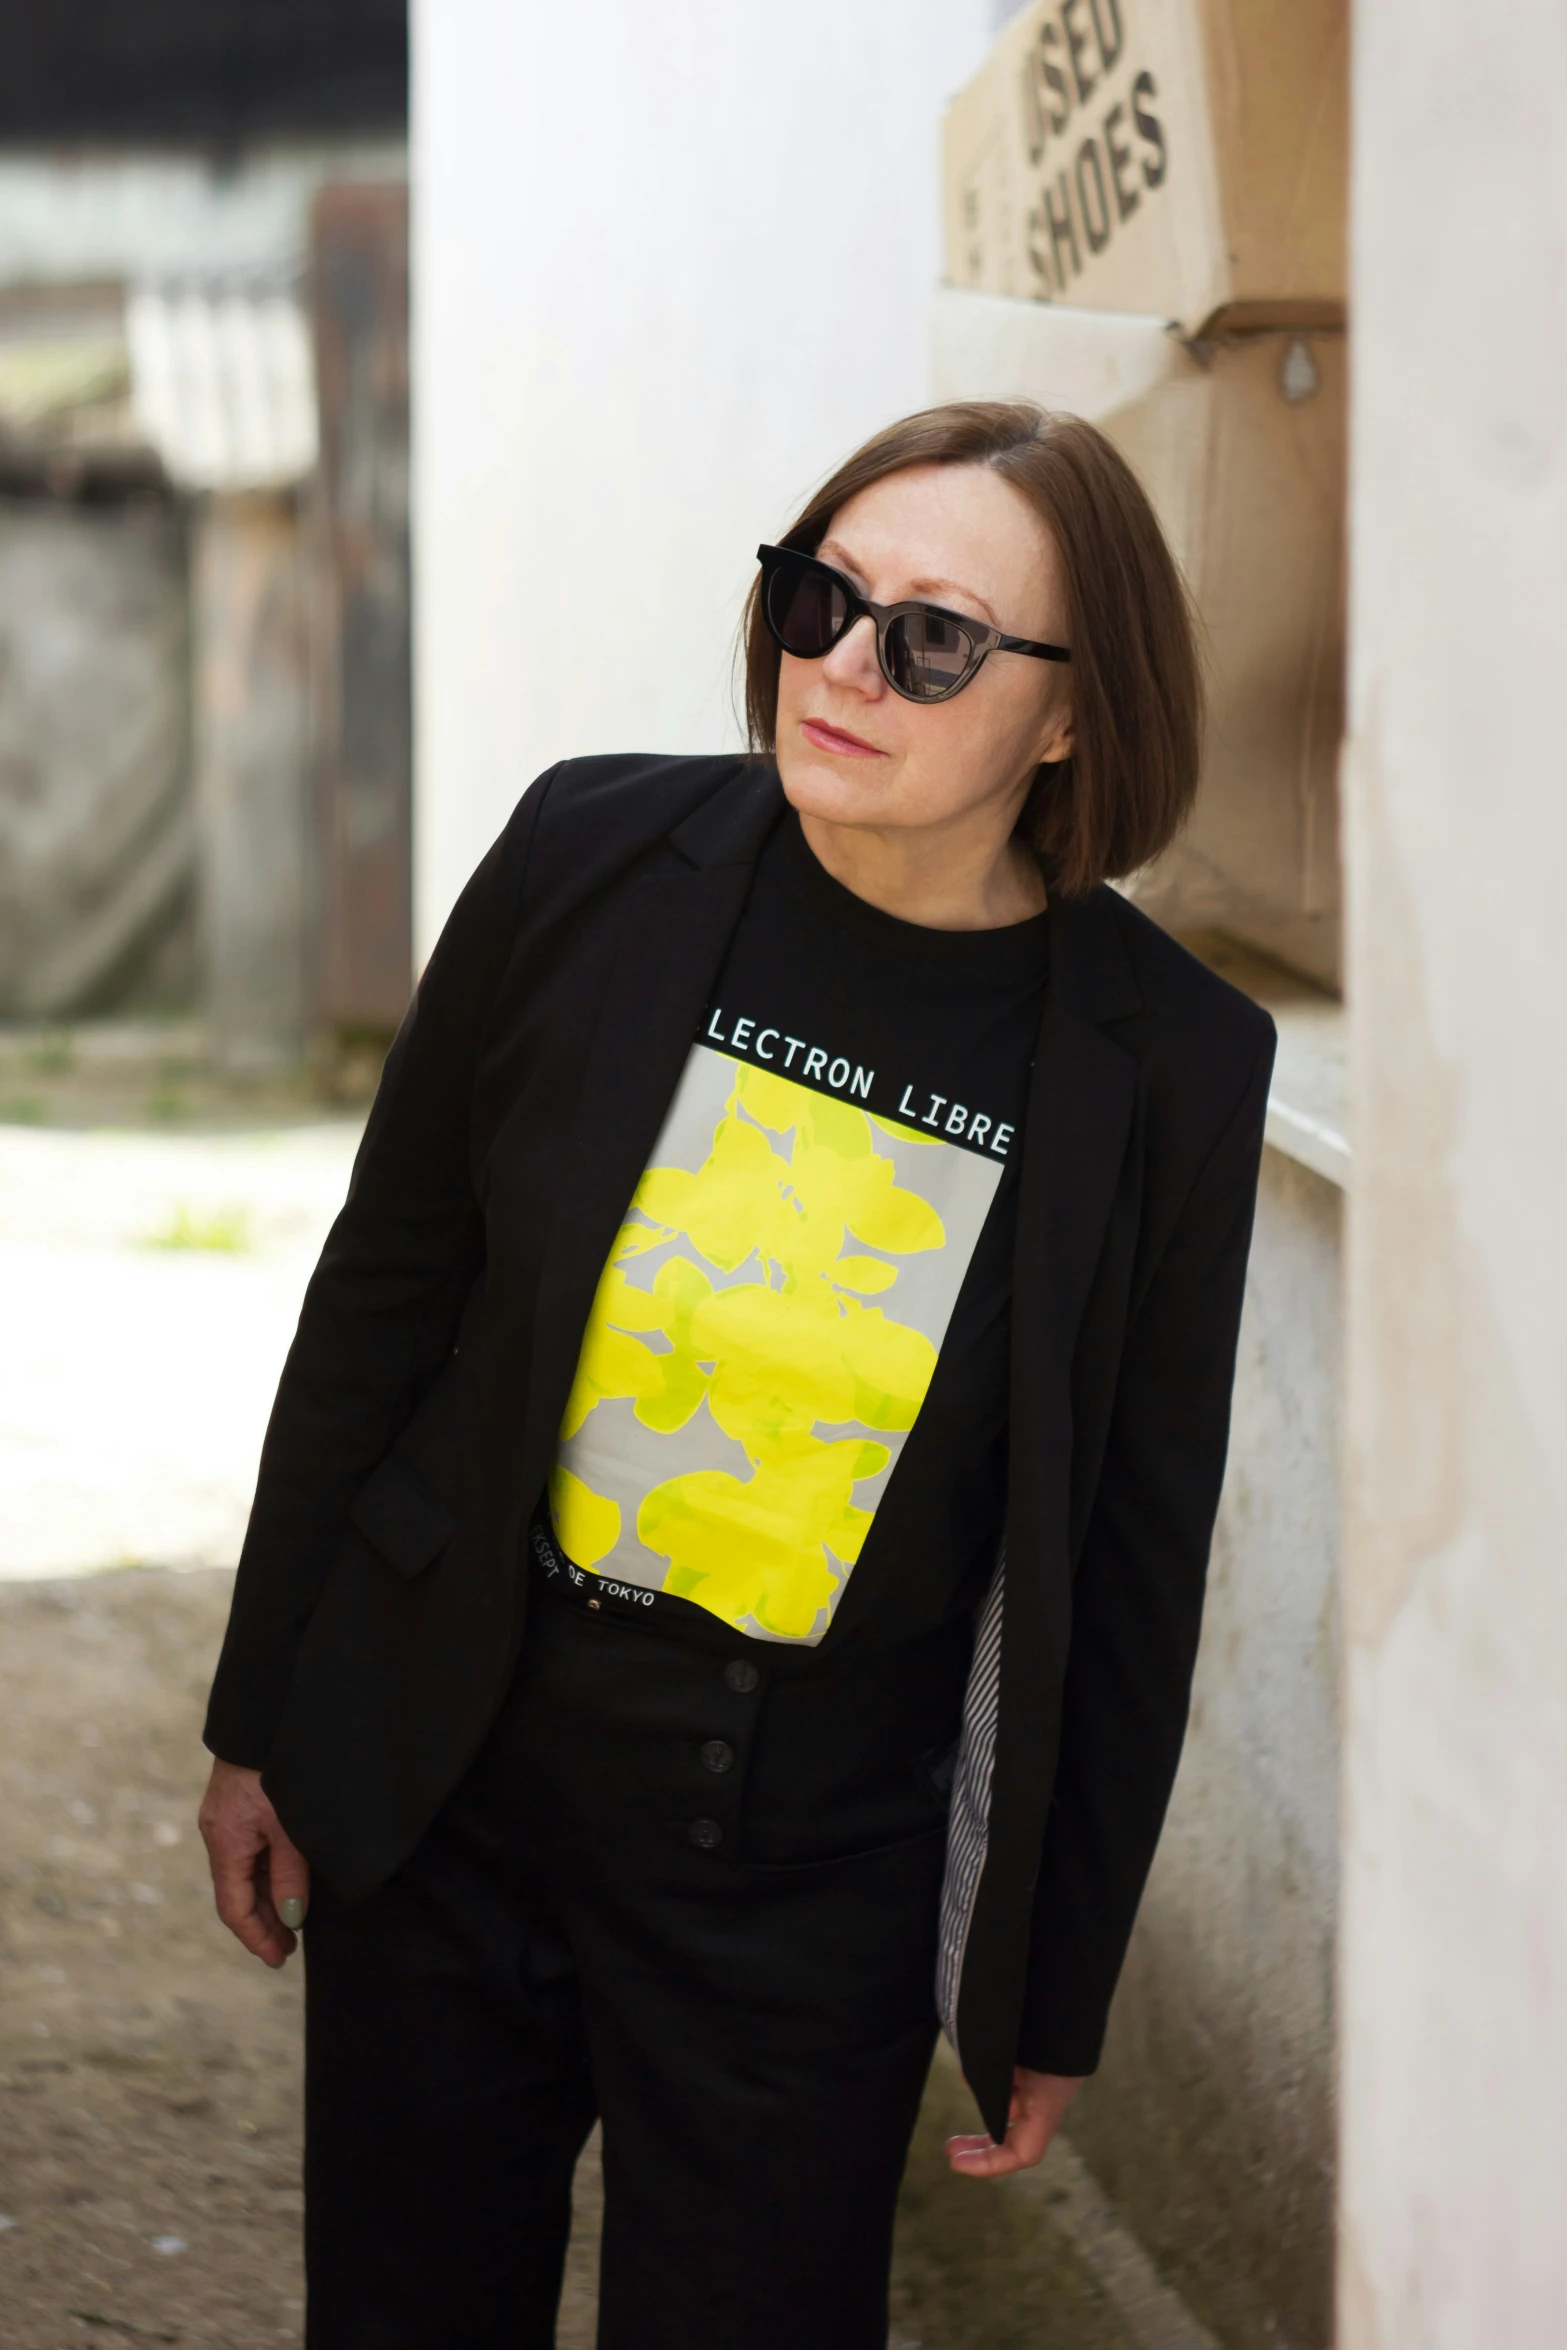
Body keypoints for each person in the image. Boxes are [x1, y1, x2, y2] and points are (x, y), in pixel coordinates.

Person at [198, 400, 1275, 2349]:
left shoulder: (1164, 1066)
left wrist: (1055, 1972)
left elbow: (1133, 1548)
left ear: (1067, 717)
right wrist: (264, 1699)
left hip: (804, 1877)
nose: (845, 663)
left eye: (932, 636)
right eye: (818, 596)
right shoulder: (588, 855)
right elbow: (390, 1287)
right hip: (454, 1778)